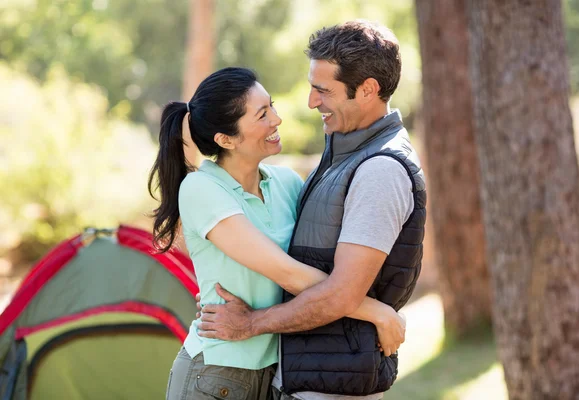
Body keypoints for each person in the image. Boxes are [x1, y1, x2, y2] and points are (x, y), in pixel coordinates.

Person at [196, 20, 426, 400]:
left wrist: (251, 323)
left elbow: (341, 294)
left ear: (367, 90)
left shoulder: (379, 171)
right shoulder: (343, 151)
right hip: (312, 375)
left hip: (335, 385)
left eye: (323, 90)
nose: (311, 101)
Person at [148, 67, 406, 400]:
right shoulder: (201, 189)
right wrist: (377, 313)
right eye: (262, 114)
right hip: (217, 375)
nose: (277, 119)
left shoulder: (287, 184)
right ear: (226, 140)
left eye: (271, 106)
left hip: (281, 373)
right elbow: (286, 273)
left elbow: (323, 262)